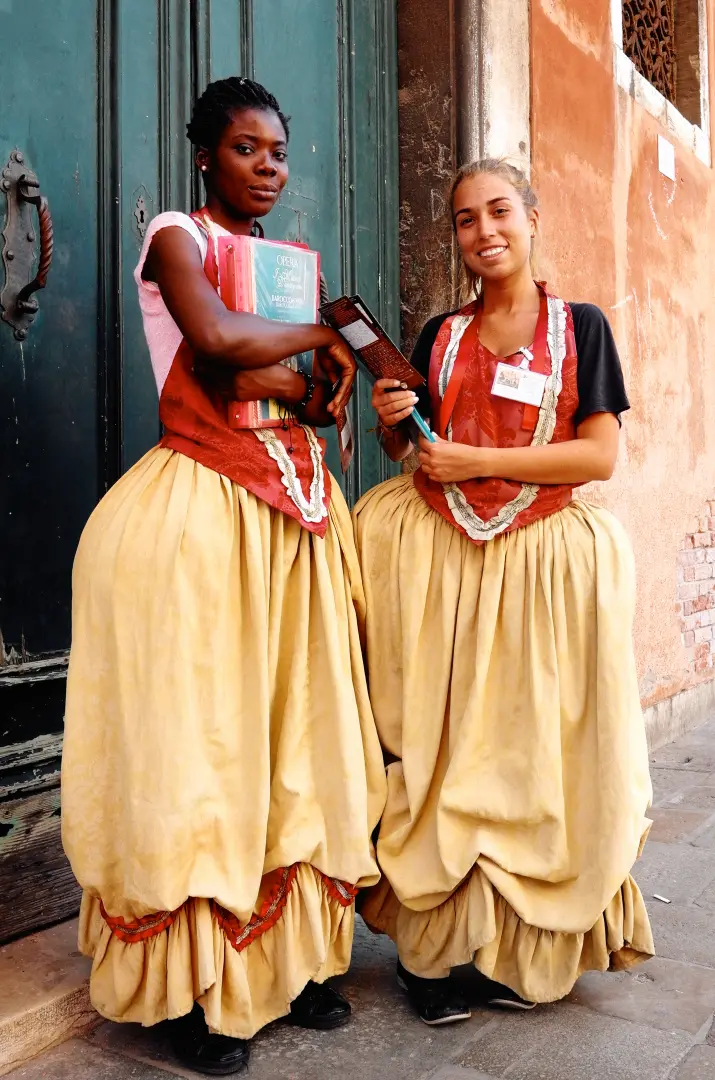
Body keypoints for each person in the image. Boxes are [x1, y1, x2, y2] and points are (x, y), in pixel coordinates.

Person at [62, 77, 386, 1075]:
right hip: (199, 511)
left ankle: (294, 963)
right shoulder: (176, 237)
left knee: (301, 736)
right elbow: (212, 341)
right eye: (246, 149)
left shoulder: (292, 268)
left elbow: (304, 392)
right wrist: (326, 339)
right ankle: (191, 989)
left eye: (279, 152)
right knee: (203, 744)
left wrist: (295, 368)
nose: (267, 167)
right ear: (207, 154)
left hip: (297, 519)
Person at [354, 159, 654, 1025]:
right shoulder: (438, 335)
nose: (482, 231)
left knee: (529, 753)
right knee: (444, 749)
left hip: (538, 568)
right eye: (462, 219)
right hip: (441, 563)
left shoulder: (580, 329)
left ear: (530, 217)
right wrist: (391, 425)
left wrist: (478, 459)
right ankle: (433, 955)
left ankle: (518, 948)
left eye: (497, 212)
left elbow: (597, 456)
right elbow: (413, 457)